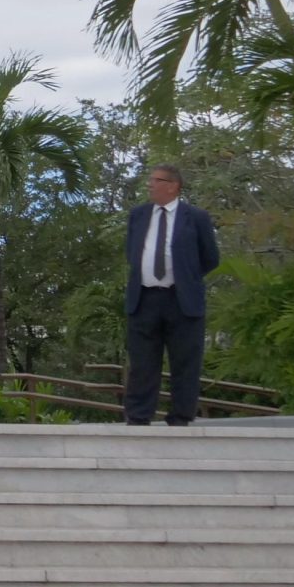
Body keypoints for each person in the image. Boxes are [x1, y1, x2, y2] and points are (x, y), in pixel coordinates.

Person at [122, 164, 221, 426]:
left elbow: (210, 257)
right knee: (143, 361)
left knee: (185, 361)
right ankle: (139, 415)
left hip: (181, 299)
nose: (150, 184)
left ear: (173, 186)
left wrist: (186, 276)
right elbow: (131, 252)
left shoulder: (196, 217)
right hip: (144, 298)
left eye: (156, 180)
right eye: (150, 180)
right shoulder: (138, 214)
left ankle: (180, 416)